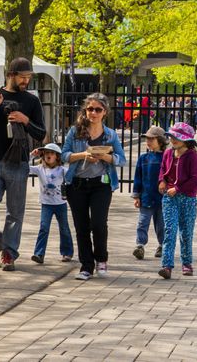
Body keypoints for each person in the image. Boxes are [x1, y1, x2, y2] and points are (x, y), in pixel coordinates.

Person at [0, 58, 46, 271]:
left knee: (15, 211)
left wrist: (25, 120)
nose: (26, 81)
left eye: (28, 77)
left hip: (18, 162)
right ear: (11, 75)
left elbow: (41, 134)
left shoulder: (32, 102)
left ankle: (9, 252)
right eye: (23, 77)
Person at [60, 93, 126, 281]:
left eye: (98, 109)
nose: (94, 113)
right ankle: (86, 265)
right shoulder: (75, 131)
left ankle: (101, 259)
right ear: (85, 111)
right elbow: (64, 155)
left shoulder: (110, 135)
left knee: (98, 223)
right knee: (81, 226)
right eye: (90, 109)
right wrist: (82, 155)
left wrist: (106, 157)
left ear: (105, 112)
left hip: (101, 184)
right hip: (78, 184)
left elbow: (122, 160)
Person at [157, 122, 197, 279]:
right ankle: (167, 266)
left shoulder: (192, 156)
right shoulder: (168, 153)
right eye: (171, 136)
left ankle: (187, 263)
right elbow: (163, 169)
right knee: (170, 231)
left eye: (177, 137)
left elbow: (196, 179)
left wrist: (178, 188)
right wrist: (162, 181)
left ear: (186, 140)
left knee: (186, 233)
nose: (173, 139)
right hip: (169, 198)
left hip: (187, 199)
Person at [29, 143, 73, 264]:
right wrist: (32, 156)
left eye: (52, 153)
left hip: (60, 204)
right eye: (47, 153)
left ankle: (67, 252)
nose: (49, 155)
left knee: (64, 228)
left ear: (57, 157)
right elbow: (24, 167)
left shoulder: (62, 170)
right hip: (46, 204)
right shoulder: (39, 169)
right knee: (44, 228)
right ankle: (39, 254)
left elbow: (72, 176)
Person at [132, 126, 167, 261]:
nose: (148, 141)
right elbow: (138, 178)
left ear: (161, 140)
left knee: (162, 224)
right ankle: (140, 245)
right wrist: (136, 195)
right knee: (142, 223)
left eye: (152, 139)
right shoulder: (143, 158)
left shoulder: (167, 157)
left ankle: (162, 245)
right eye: (147, 139)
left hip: (163, 199)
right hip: (146, 198)